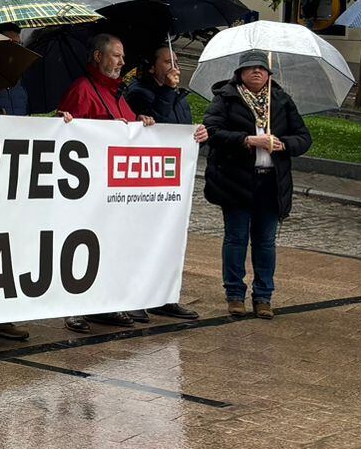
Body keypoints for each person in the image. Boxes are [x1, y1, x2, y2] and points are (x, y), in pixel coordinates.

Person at [203, 50, 310, 318]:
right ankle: (235, 294)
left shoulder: (281, 101)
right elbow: (212, 132)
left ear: (269, 74)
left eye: (261, 68)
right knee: (236, 239)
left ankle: (263, 296)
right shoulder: (226, 98)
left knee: (265, 242)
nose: (256, 72)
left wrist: (283, 144)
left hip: (270, 183)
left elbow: (303, 137)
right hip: (236, 182)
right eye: (250, 68)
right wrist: (248, 140)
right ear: (239, 73)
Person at [57, 34, 152, 334]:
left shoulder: (117, 94)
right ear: (98, 57)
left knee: (110, 246)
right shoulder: (82, 90)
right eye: (116, 56)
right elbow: (67, 137)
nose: (123, 62)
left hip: (113, 190)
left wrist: (141, 124)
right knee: (80, 247)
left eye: (123, 57)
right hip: (86, 190)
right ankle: (73, 307)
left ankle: (105, 303)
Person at [122, 43, 207, 322]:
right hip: (146, 179)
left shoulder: (178, 95)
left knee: (168, 238)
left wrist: (197, 136)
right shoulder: (140, 92)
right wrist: (167, 91)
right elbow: (157, 124)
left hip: (172, 180)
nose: (174, 66)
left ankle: (163, 295)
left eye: (176, 61)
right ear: (152, 66)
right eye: (167, 61)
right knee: (141, 239)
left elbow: (180, 131)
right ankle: (136, 297)